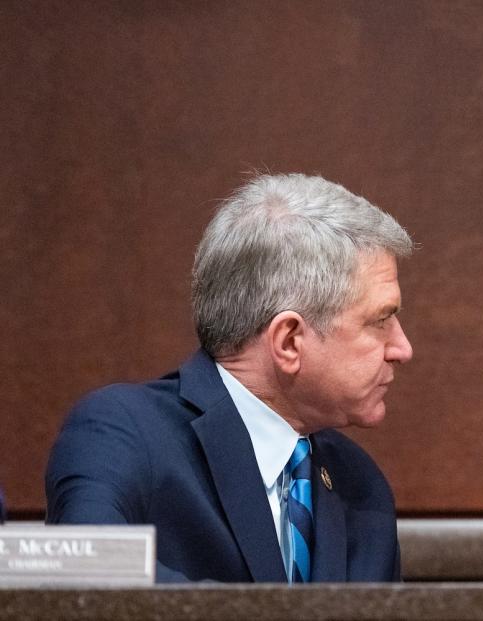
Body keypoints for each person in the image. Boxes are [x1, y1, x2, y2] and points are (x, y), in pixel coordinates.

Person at [45, 174, 414, 583]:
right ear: (289, 341)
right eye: (380, 320)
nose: (402, 348)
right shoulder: (123, 433)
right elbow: (84, 575)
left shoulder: (358, 482)